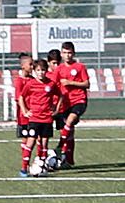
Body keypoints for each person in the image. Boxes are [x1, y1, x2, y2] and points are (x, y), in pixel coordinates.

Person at [47, 41, 93, 169]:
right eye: (65, 53)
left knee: (70, 122)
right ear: (61, 54)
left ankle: (59, 147)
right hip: (65, 103)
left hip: (79, 100)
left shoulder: (79, 67)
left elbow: (87, 84)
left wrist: (70, 82)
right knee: (70, 132)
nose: (67, 55)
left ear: (74, 53)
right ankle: (68, 160)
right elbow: (52, 84)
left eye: (70, 53)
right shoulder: (60, 69)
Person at [11, 56, 57, 174]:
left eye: (42, 70)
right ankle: (24, 167)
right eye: (36, 69)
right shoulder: (25, 82)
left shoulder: (50, 84)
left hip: (46, 118)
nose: (39, 72)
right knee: (28, 141)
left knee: (43, 142)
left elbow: (59, 95)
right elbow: (19, 97)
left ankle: (41, 164)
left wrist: (55, 108)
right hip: (31, 117)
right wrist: (25, 111)